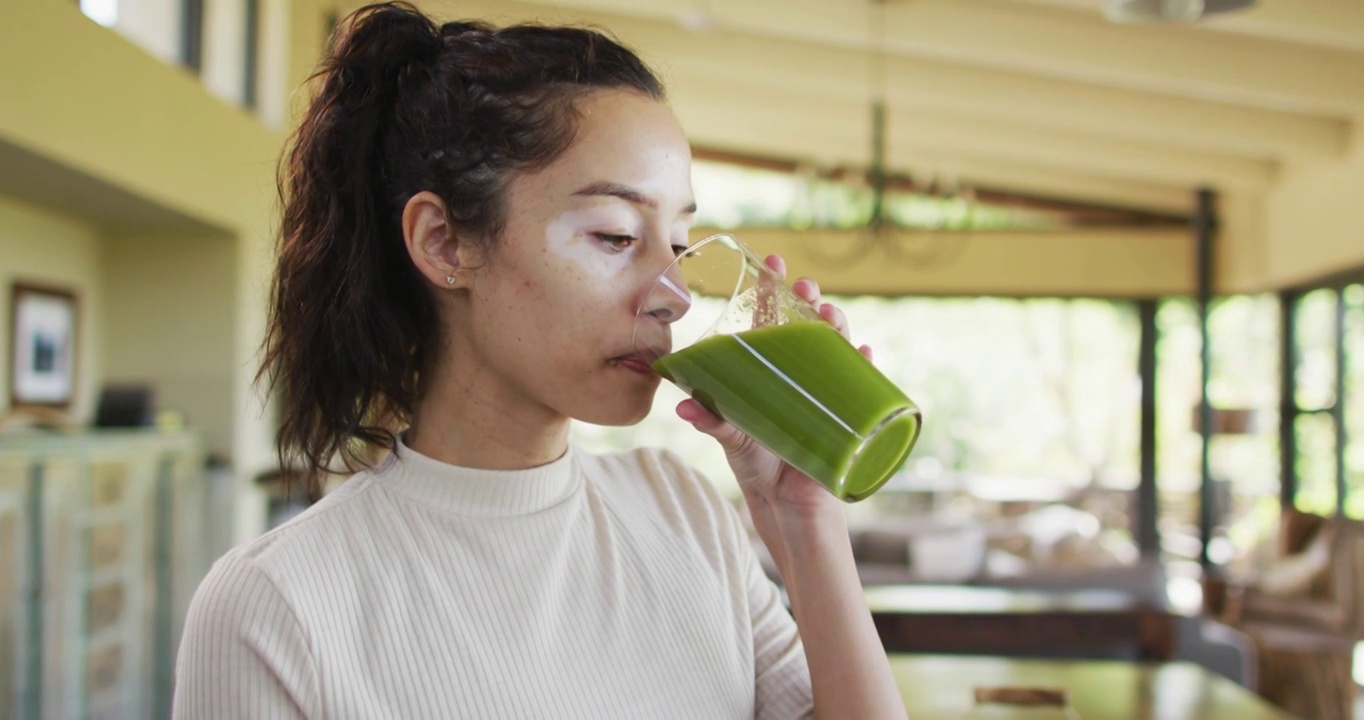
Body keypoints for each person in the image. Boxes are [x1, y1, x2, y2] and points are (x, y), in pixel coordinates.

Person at [172, 4, 907, 718]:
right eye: (617, 236)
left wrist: (806, 524)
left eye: (679, 245)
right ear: (444, 243)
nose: (676, 296)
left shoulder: (680, 509)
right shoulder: (274, 605)